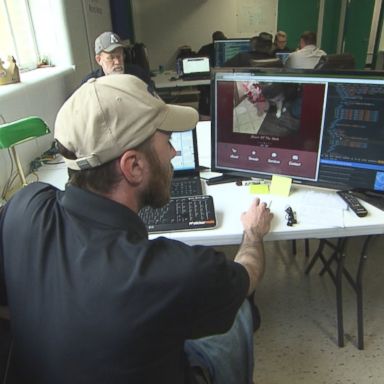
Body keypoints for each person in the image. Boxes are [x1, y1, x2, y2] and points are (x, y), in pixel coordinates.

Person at [0, 74, 273, 384]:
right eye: (168, 142)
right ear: (133, 167)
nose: (174, 153)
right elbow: (247, 276)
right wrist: (253, 233)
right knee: (238, 312)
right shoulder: (173, 272)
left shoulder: (24, 205)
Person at [81, 31, 153, 88]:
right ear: (99, 60)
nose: (117, 62)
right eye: (111, 58)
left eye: (119, 56)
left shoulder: (138, 74)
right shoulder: (89, 84)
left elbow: (154, 100)